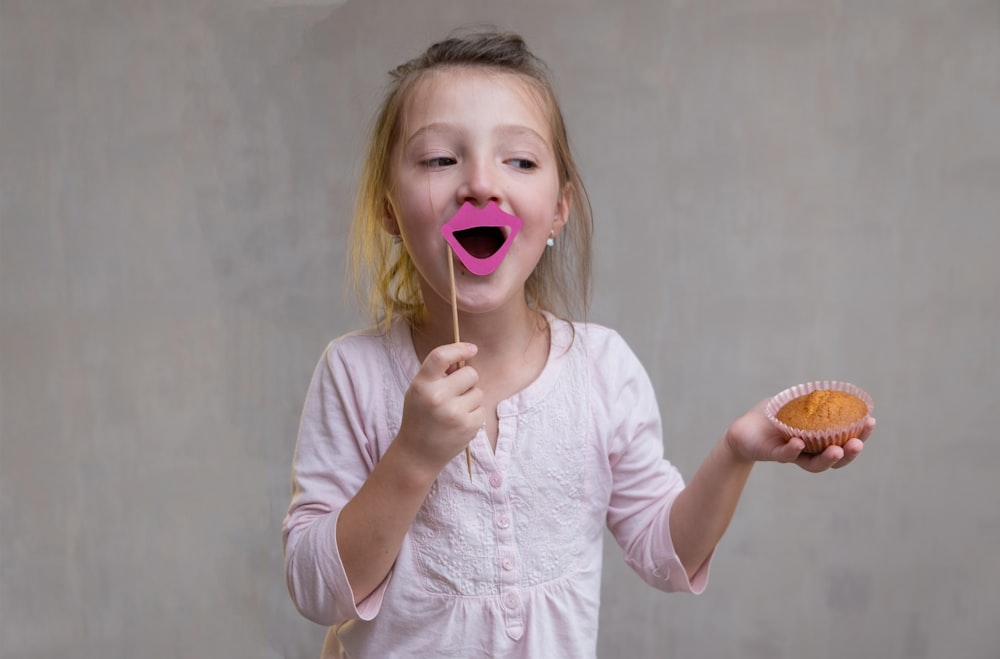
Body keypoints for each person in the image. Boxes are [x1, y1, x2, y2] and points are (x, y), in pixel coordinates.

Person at [281, 28, 875, 659]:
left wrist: (736, 453)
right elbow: (316, 591)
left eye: (520, 160)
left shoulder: (602, 370)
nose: (480, 184)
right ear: (389, 211)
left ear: (558, 210)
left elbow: (666, 556)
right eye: (439, 160)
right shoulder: (353, 373)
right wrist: (412, 457)